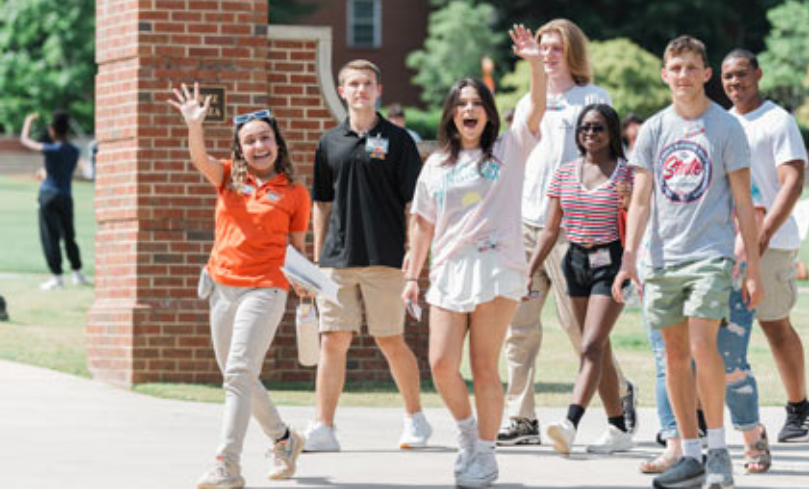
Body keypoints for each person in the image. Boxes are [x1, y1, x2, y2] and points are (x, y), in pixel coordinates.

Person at [612, 35, 762, 489]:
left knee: (702, 347)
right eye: (675, 68)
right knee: (673, 356)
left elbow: (742, 199)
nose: (683, 75)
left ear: (706, 73)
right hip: (661, 260)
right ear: (665, 75)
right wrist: (628, 260)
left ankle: (719, 451)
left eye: (691, 67)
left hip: (709, 255)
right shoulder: (654, 130)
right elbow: (640, 200)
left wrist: (752, 266)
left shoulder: (726, 129)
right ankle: (691, 454)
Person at [403, 24, 545, 488]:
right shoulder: (436, 166)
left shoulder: (509, 150)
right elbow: (422, 222)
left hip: (497, 267)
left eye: (477, 104)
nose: (469, 110)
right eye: (461, 104)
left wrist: (534, 63)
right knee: (442, 363)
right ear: (451, 114)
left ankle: (485, 453)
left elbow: (537, 107)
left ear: (487, 114)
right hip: (447, 271)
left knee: (484, 365)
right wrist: (411, 274)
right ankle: (467, 434)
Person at [500, 18, 638, 447]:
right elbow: (530, 136)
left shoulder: (593, 99)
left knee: (580, 333)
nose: (549, 53)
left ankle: (620, 393)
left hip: (573, 232)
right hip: (526, 223)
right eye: (543, 46)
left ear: (573, 51)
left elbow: (616, 168)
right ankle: (521, 418)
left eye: (557, 47)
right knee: (518, 329)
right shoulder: (528, 101)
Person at [169, 84, 310, 489]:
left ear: (277, 143)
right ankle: (284, 438)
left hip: (266, 288)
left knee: (239, 373)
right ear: (240, 149)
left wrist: (305, 280)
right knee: (238, 375)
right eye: (250, 140)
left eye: (265, 137)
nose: (259, 145)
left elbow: (296, 249)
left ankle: (227, 464)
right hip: (221, 286)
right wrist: (194, 125)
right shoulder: (228, 177)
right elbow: (199, 159)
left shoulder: (295, 192)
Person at [307, 60, 431, 452]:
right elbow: (321, 204)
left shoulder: (398, 140)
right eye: (353, 84)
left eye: (367, 84)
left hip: (386, 256)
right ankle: (323, 427)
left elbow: (414, 203)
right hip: (337, 260)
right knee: (332, 341)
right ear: (342, 91)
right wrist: (316, 259)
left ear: (378, 90)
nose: (360, 90)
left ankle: (415, 419)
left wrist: (413, 253)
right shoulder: (329, 142)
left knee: (390, 339)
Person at [639, 180, 772, 476]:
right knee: (670, 360)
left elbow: (755, 216)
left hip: (725, 278)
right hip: (665, 273)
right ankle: (676, 445)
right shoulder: (663, 165)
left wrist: (730, 264)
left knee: (729, 365)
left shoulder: (729, 157)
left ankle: (751, 435)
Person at [721, 48, 809, 443]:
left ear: (758, 74)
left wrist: (760, 238)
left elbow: (792, 182)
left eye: (742, 74)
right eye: (728, 77)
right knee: (717, 332)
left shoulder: (778, 120)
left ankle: (800, 408)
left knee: (775, 325)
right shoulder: (722, 122)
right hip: (728, 245)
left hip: (772, 242)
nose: (735, 83)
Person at [530, 103, 636, 455]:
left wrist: (629, 204)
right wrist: (528, 271)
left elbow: (639, 223)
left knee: (590, 345)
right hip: (574, 261)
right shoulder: (563, 173)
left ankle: (570, 424)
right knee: (595, 347)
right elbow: (549, 230)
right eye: (585, 128)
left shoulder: (626, 174)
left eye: (598, 128)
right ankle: (618, 428)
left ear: (612, 133)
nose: (590, 134)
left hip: (611, 264)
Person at [20, 111, 87, 289]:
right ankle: (77, 273)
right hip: (66, 196)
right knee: (69, 236)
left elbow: (25, 142)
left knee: (50, 237)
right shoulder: (74, 151)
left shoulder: (51, 149)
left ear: (52, 130)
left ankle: (57, 277)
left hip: (48, 195)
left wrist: (27, 121)